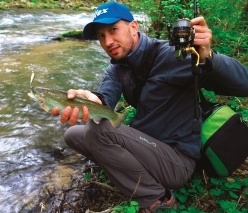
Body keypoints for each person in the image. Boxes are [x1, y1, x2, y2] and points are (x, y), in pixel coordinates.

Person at [51, 2, 248, 212]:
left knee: (97, 130)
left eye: (113, 30)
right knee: (73, 134)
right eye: (101, 36)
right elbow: (105, 97)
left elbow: (244, 83)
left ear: (134, 27)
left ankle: (159, 199)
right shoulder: (117, 67)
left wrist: (209, 57)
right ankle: (130, 171)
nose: (107, 41)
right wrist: (92, 102)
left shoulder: (171, 55)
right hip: (146, 147)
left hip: (177, 160)